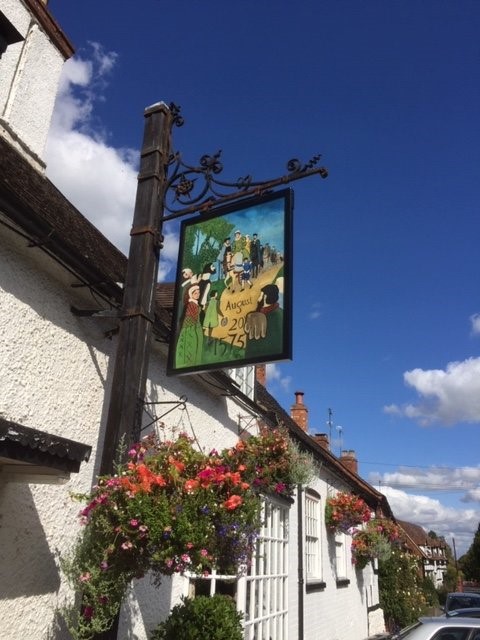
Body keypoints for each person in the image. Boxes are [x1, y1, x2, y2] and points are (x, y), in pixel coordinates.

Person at [245, 284, 283, 359]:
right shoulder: (255, 315)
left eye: (260, 295)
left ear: (265, 297)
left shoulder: (277, 315)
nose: (258, 299)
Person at [175, 284, 204, 368]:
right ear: (191, 294)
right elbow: (190, 317)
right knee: (191, 344)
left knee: (197, 344)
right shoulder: (191, 304)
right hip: (190, 328)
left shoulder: (196, 304)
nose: (198, 294)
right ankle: (189, 362)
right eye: (195, 293)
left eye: (199, 293)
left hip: (196, 326)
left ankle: (195, 362)